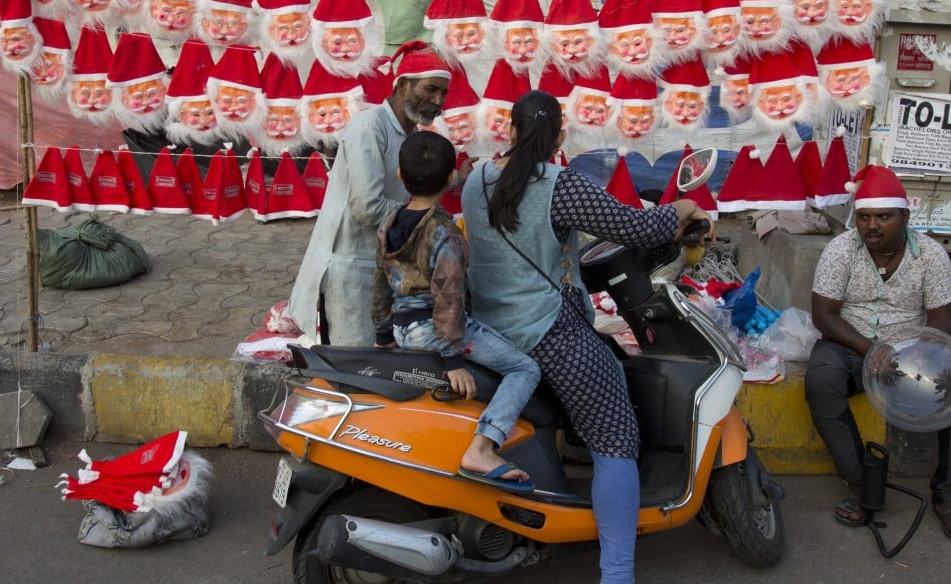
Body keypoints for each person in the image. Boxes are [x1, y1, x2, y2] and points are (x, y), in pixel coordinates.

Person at [460, 89, 715, 582]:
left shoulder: (476, 181)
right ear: (559, 137)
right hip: (545, 332)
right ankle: (617, 572)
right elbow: (635, 228)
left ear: (509, 131)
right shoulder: (561, 185)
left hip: (487, 326)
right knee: (617, 435)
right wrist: (683, 206)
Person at [371, 132, 541, 491]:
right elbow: (448, 296)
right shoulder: (443, 231)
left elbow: (380, 282)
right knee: (524, 368)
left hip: (403, 327)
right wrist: (452, 359)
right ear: (451, 179)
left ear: (400, 175)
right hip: (436, 329)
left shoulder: (389, 223)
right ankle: (483, 447)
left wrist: (384, 334)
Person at [289, 41, 469, 346]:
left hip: (378, 265)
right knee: (356, 361)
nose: (438, 101)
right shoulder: (369, 128)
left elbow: (415, 187)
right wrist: (426, 223)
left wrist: (451, 180)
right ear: (402, 88)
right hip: (351, 266)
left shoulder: (409, 132)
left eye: (443, 93)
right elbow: (369, 208)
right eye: (430, 90)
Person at [804, 164, 951, 537]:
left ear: (904, 216)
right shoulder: (841, 250)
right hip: (850, 344)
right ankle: (862, 486)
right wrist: (873, 350)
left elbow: (941, 319)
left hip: (912, 350)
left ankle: (946, 493)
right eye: (864, 216)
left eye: (884, 217)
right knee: (821, 382)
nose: (872, 226)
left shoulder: (931, 256)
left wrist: (911, 354)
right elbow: (824, 315)